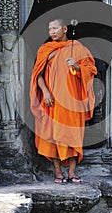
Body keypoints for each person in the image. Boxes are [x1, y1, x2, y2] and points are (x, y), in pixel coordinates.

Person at [30, 18, 97, 183]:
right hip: (52, 99)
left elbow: (91, 70)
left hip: (73, 100)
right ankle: (58, 172)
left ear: (65, 29)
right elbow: (37, 74)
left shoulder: (79, 49)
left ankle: (72, 172)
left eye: (55, 28)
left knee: (73, 134)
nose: (51, 32)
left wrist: (77, 66)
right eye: (49, 29)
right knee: (53, 135)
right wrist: (45, 92)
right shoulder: (45, 49)